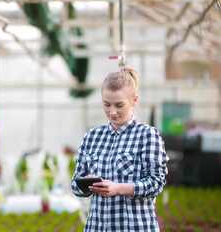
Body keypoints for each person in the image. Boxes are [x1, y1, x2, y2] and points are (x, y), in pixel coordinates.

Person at [71, 67, 168, 231]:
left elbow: (156, 183)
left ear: (134, 101)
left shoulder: (147, 136)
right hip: (97, 227)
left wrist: (118, 188)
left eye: (119, 105)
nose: (112, 112)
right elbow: (75, 185)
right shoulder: (92, 137)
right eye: (106, 104)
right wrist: (87, 184)